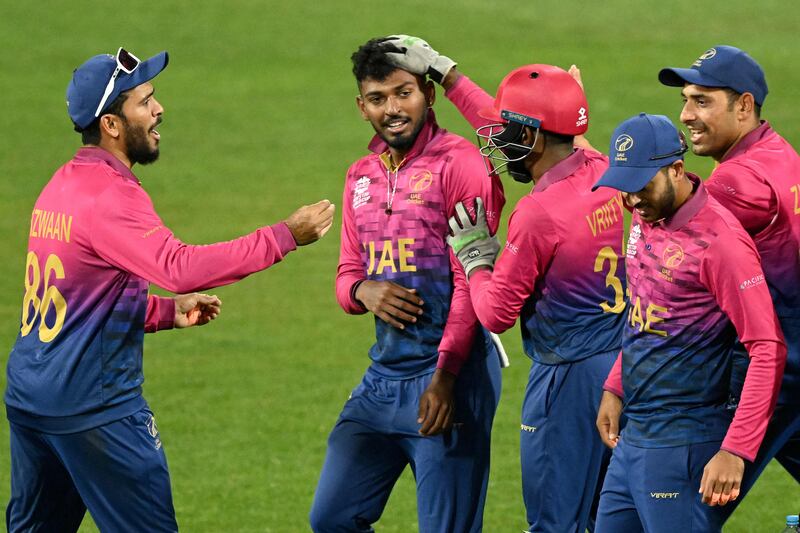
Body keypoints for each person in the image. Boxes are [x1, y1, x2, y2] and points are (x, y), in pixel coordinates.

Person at [5, 47, 335, 532]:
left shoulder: (62, 184)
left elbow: (72, 299)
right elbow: (179, 266)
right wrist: (283, 236)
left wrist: (161, 313)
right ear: (113, 124)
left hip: (32, 399)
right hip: (95, 410)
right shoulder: (111, 195)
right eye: (145, 101)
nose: (159, 109)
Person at [386, 36, 627, 532]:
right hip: (621, 366)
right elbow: (517, 125)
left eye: (509, 134)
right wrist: (446, 74)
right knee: (607, 518)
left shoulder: (537, 212)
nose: (494, 144)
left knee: (553, 523)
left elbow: (496, 312)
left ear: (535, 140)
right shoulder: (601, 168)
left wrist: (475, 258)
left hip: (565, 381)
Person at [308, 37, 504, 532]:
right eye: (378, 99)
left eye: (403, 93)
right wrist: (361, 292)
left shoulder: (460, 164)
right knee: (330, 518)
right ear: (361, 107)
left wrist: (446, 378)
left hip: (451, 377)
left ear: (428, 96)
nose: (392, 109)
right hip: (383, 378)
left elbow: (470, 280)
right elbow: (346, 274)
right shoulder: (360, 176)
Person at [592, 113, 786, 532]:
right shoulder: (647, 215)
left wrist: (736, 450)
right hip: (635, 435)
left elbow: (767, 347)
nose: (632, 201)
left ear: (675, 170)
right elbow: (648, 313)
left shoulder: (722, 245)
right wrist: (615, 386)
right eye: (624, 189)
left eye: (641, 186)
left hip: (684, 443)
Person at [657, 45, 800, 518]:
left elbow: (666, 251)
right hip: (792, 354)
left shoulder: (735, 182)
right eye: (685, 100)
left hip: (767, 372)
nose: (686, 115)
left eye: (702, 101)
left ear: (743, 105)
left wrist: (573, 150)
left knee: (676, 511)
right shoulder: (780, 152)